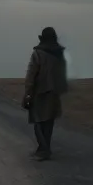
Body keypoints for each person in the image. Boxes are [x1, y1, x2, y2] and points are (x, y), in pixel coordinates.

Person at [21, 26, 69, 160]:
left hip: (39, 92)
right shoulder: (60, 54)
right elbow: (63, 74)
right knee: (49, 122)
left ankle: (44, 149)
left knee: (37, 120)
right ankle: (44, 148)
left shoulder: (37, 54)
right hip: (54, 92)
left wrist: (28, 93)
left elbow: (31, 75)